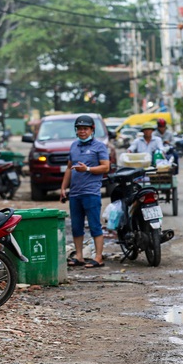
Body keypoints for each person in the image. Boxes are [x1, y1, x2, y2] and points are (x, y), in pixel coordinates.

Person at [61, 115, 110, 269]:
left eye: (85, 129)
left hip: (91, 192)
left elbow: (106, 167)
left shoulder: (99, 147)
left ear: (92, 130)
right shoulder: (74, 146)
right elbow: (69, 167)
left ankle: (98, 257)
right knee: (76, 226)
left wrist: (87, 169)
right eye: (79, 129)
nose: (82, 132)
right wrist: (63, 188)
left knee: (95, 225)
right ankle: (79, 256)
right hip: (75, 193)